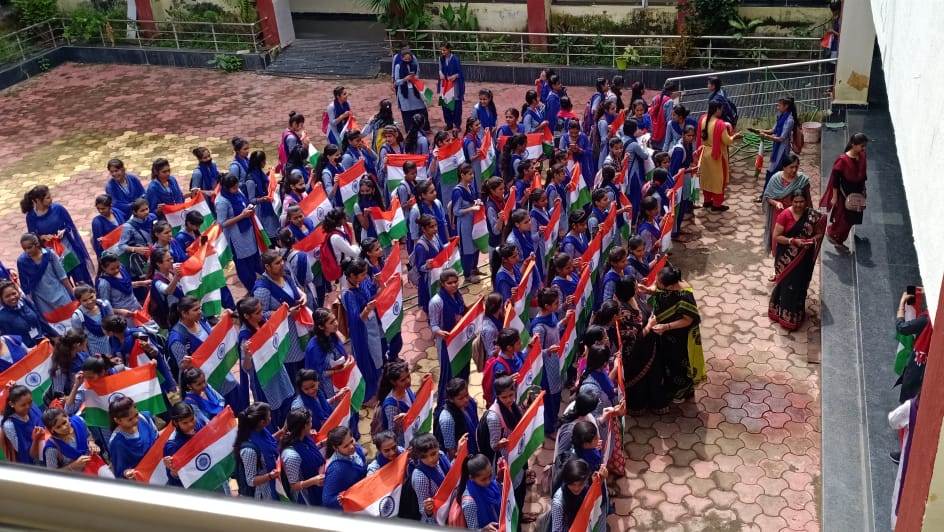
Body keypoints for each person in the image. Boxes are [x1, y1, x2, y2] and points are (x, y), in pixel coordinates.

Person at [168, 301, 244, 412]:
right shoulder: (177, 339)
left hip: (224, 375)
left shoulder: (201, 320)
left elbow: (211, 338)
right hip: (208, 385)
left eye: (200, 308)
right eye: (195, 310)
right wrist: (186, 365)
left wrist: (224, 322)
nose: (200, 312)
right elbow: (186, 370)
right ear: (184, 313)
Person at [769, 190, 825, 331]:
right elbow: (776, 236)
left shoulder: (812, 216)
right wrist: (792, 241)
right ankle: (781, 315)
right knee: (787, 285)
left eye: (801, 201)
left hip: (804, 257)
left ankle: (796, 316)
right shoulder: (785, 215)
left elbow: (819, 233)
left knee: (800, 285)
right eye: (795, 202)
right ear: (791, 201)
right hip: (787, 257)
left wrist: (811, 240)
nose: (798, 204)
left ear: (806, 202)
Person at [647, 266, 703, 402]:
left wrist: (666, 326)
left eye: (659, 284)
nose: (656, 284)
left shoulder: (685, 296)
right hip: (666, 334)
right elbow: (657, 287)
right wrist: (648, 290)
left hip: (678, 337)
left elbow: (687, 320)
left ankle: (680, 393)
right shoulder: (671, 282)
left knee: (677, 364)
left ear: (671, 287)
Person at [237, 297, 294, 429]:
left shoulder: (264, 322)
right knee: (269, 412)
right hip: (263, 380)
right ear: (246, 316)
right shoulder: (245, 337)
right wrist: (247, 355)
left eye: (261, 310)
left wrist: (283, 312)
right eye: (257, 312)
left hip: (278, 369)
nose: (261, 314)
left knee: (287, 402)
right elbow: (246, 368)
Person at [253, 250, 308, 379]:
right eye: (277, 263)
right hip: (284, 336)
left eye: (282, 260)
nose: (282, 264)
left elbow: (296, 288)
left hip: (300, 326)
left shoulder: (286, 274)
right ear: (267, 267)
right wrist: (287, 313)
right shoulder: (262, 289)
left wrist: (303, 296)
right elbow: (261, 315)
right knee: (293, 371)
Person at [22, 185, 93, 285]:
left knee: (80, 277)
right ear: (37, 200)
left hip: (68, 249)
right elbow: (33, 236)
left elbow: (70, 225)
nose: (51, 199)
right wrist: (42, 237)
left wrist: (64, 231)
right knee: (64, 280)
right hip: (53, 254)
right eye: (47, 198)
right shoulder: (31, 217)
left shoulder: (58, 209)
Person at [821, 132, 868, 253]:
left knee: (854, 218)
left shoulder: (862, 156)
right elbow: (835, 181)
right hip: (845, 195)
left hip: (858, 194)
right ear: (853, 144)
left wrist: (864, 190)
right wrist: (835, 197)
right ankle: (834, 236)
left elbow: (863, 175)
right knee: (845, 220)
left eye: (864, 146)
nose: (863, 149)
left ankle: (837, 237)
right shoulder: (842, 161)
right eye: (861, 146)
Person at [216, 173, 262, 291]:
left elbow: (244, 203)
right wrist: (242, 216)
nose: (237, 190)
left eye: (237, 187)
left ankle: (258, 281)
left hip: (247, 231)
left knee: (254, 257)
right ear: (226, 188)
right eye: (234, 188)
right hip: (236, 236)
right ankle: (251, 288)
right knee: (243, 265)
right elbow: (222, 223)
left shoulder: (238, 192)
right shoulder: (221, 202)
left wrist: (249, 208)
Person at [430, 269, 469, 400]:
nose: (453, 285)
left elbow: (463, 310)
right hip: (446, 342)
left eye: (455, 282)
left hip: (461, 338)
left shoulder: (458, 295)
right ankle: (445, 400)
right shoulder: (436, 302)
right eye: (449, 283)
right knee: (449, 373)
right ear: (442, 284)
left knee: (463, 367)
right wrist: (440, 332)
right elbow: (434, 324)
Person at [761, 154, 811, 253]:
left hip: (797, 214)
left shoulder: (802, 180)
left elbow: (808, 200)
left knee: (796, 240)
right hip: (779, 214)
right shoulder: (775, 179)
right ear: (784, 167)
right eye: (791, 167)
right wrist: (776, 203)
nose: (794, 170)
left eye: (796, 167)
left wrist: (810, 216)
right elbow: (767, 197)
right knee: (779, 238)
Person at [16, 232, 74, 317]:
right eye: (24, 249)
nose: (27, 251)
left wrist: (73, 294)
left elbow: (62, 276)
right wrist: (32, 304)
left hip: (60, 295)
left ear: (37, 244)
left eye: (29, 247)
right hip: (42, 301)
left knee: (71, 319)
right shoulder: (22, 261)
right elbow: (25, 286)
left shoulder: (50, 255)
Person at [697, 100, 741, 211]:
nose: (722, 111)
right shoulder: (719, 124)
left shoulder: (702, 119)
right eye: (721, 109)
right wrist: (735, 136)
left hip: (704, 153)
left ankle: (707, 201)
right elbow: (727, 141)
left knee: (707, 178)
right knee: (718, 180)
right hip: (716, 155)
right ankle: (716, 204)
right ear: (717, 109)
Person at [303, 308, 353, 403]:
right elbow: (318, 374)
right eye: (331, 322)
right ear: (321, 327)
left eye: (335, 319)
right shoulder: (314, 348)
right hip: (327, 385)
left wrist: (347, 362)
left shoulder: (332, 335)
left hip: (341, 377)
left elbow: (341, 353)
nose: (336, 323)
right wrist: (340, 369)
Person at [279, 408, 326, 506]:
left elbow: (308, 452)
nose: (312, 425)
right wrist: (313, 481)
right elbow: (294, 485)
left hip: (317, 486)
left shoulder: (304, 438)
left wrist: (322, 444)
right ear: (304, 426)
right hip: (307, 496)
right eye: (311, 422)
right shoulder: (291, 456)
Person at [234, 402, 280, 500]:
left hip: (274, 484)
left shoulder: (260, 431)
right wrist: (270, 476)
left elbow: (268, 443)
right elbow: (251, 480)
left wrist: (281, 432)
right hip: (264, 493)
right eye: (269, 416)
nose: (270, 418)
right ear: (262, 422)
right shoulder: (249, 450)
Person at [107, 396, 159, 479]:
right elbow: (120, 471)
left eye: (136, 415)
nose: (136, 420)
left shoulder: (145, 417)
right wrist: (127, 473)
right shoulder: (117, 443)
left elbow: (157, 438)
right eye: (130, 420)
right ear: (118, 421)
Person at [757, 97, 799, 198]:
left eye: (779, 105)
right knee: (774, 172)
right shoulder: (780, 116)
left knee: (773, 172)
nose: (777, 107)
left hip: (782, 150)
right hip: (776, 148)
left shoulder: (789, 120)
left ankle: (766, 195)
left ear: (786, 106)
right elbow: (773, 130)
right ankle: (769, 194)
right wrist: (761, 130)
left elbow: (781, 138)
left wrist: (767, 136)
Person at [41, 407, 101, 472]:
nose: (64, 427)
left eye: (64, 422)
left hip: (95, 467)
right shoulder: (52, 448)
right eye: (58, 427)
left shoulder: (79, 422)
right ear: (52, 430)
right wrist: (73, 466)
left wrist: (92, 444)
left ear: (67, 417)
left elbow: (88, 436)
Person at [0, 280, 58, 346]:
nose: (12, 297)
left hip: (45, 343)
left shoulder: (25, 302)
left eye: (14, 293)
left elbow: (41, 320)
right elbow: (7, 342)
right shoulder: (2, 318)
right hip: (28, 353)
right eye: (7, 296)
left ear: (18, 292)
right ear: (1, 299)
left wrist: (55, 335)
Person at [322, 425, 368, 509]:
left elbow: (362, 452)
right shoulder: (336, 470)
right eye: (346, 446)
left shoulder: (353, 448)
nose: (351, 446)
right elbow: (327, 500)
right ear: (335, 448)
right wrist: (344, 497)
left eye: (351, 441)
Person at [411, 433, 453, 524]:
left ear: (438, 447)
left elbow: (452, 475)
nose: (430, 459)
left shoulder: (441, 456)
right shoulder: (420, 476)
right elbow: (423, 509)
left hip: (451, 509)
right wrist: (428, 509)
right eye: (424, 457)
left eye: (433, 453)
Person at [436, 377, 480, 458]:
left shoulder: (470, 403)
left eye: (466, 395)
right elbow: (451, 451)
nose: (466, 400)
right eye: (461, 398)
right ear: (451, 399)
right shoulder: (447, 419)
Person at [116, 198, 156, 283]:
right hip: (142, 259)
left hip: (156, 253)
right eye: (142, 210)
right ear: (134, 212)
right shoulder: (128, 227)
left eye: (147, 209)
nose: (146, 212)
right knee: (147, 279)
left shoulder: (152, 217)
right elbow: (121, 246)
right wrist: (135, 249)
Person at [1, 384, 44, 464]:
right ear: (11, 404)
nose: (28, 407)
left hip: (46, 446)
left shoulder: (31, 406)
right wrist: (36, 439)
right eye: (23, 405)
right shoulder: (9, 425)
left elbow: (44, 422)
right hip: (32, 460)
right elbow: (22, 450)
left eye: (30, 402)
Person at [95, 253, 147, 317]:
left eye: (118, 267)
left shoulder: (122, 269)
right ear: (103, 268)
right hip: (124, 316)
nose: (116, 270)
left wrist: (143, 283)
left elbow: (127, 285)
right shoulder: (104, 284)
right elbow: (105, 306)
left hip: (136, 307)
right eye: (112, 269)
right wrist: (120, 311)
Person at [377, 360, 414, 445]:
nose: (408, 381)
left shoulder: (406, 389)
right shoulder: (391, 406)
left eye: (408, 376)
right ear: (393, 382)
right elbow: (393, 433)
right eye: (403, 380)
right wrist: (407, 418)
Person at [461, 453, 502, 529]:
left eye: (490, 476)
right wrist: (484, 530)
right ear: (471, 478)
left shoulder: (492, 485)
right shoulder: (469, 503)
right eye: (483, 479)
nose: (488, 481)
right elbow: (473, 529)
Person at [393, 49, 430, 132]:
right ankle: (410, 129)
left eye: (409, 59)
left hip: (415, 90)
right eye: (405, 59)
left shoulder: (414, 64)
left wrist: (415, 77)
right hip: (404, 92)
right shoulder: (398, 66)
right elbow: (396, 81)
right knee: (407, 111)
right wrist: (405, 79)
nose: (407, 60)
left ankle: (424, 128)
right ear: (402, 58)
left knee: (421, 108)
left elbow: (417, 74)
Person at [69, 284, 112, 355]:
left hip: (112, 343)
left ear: (95, 293)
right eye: (85, 300)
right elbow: (80, 339)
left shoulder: (105, 305)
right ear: (79, 301)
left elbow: (113, 323)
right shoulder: (77, 317)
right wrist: (88, 356)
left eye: (91, 297)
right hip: (96, 351)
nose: (89, 301)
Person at [549, 459, 591, 532]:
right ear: (566, 481)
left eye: (581, 484)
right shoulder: (558, 503)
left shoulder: (587, 485)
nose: (576, 488)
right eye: (572, 484)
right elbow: (557, 530)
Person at [245, 151, 279, 239]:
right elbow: (251, 199)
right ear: (259, 163)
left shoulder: (259, 172)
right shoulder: (251, 180)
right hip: (261, 210)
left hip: (268, 204)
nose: (265, 163)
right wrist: (262, 199)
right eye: (264, 161)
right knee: (268, 231)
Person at [438, 43, 465, 130]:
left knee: (456, 106)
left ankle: (457, 125)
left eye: (444, 50)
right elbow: (439, 69)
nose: (443, 52)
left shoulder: (456, 59)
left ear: (449, 49)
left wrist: (455, 76)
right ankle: (449, 124)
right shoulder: (441, 59)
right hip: (445, 84)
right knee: (445, 105)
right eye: (442, 50)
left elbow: (460, 72)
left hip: (454, 85)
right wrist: (441, 74)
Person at [279, 112, 311, 180]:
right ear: (294, 124)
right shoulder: (291, 138)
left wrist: (302, 138)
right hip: (294, 167)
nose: (302, 127)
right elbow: (296, 156)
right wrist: (306, 145)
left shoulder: (286, 131)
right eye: (301, 125)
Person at [649, 81, 677, 150]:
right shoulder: (669, 101)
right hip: (663, 132)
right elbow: (669, 119)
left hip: (654, 129)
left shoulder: (655, 98)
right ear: (672, 91)